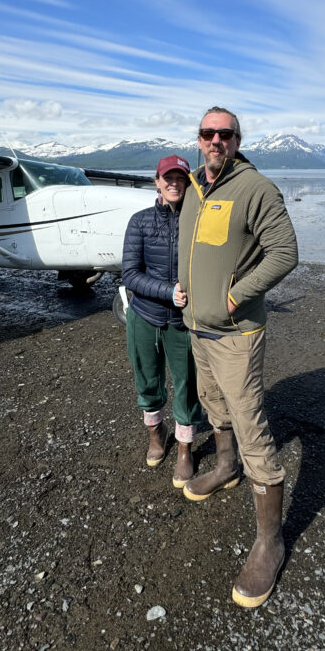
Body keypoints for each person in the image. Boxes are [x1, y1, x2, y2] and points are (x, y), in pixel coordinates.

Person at [176, 107, 298, 608]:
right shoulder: (194, 188)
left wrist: (234, 296)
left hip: (235, 332)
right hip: (197, 329)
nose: (215, 141)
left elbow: (285, 251)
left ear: (237, 139)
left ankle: (270, 540)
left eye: (224, 134)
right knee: (214, 404)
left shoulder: (256, 188)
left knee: (251, 424)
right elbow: (194, 247)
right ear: (199, 139)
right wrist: (186, 287)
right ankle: (226, 467)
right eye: (207, 133)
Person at [121, 154, 203, 488]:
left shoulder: (197, 222)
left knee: (187, 387)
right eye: (167, 178)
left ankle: (185, 449)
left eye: (180, 178)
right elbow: (130, 274)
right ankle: (157, 435)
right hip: (144, 316)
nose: (173, 183)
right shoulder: (139, 222)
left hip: (183, 322)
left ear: (187, 183)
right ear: (156, 181)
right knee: (148, 382)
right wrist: (168, 292)